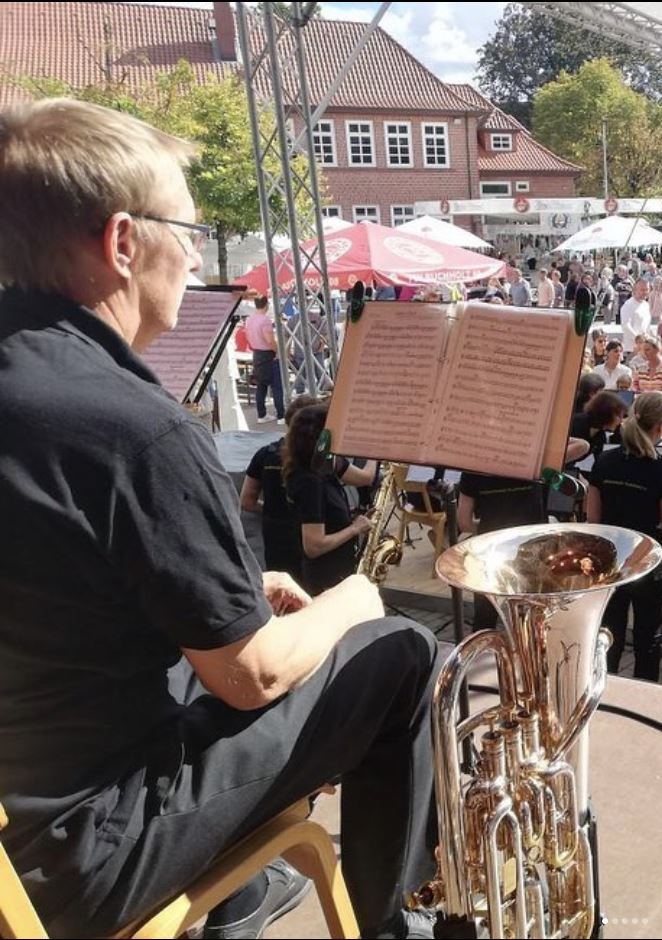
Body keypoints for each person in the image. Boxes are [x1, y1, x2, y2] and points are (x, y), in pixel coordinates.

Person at [0, 97, 443, 939]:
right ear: (124, 242)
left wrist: (222, 591)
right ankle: (391, 924)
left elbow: (59, 585)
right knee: (398, 650)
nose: (196, 256)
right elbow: (253, 677)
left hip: (20, 805)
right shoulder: (135, 428)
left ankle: (241, 898)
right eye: (189, 232)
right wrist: (356, 597)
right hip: (80, 854)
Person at [586, 393, 662, 680]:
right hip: (649, 563)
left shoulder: (605, 460)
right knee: (649, 639)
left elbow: (592, 520)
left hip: (611, 561)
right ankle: (644, 697)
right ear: (660, 427)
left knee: (608, 635)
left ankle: (603, 692)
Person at [284, 403, 378, 596]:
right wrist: (354, 529)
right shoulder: (310, 481)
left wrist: (353, 519)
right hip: (328, 579)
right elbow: (314, 546)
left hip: (338, 570)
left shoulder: (322, 467)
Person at [240, 393, 323, 582]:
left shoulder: (265, 454)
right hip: (308, 542)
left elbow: (246, 501)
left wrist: (271, 509)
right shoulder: (314, 461)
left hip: (274, 537)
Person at [456, 472, 549, 628]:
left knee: (485, 615)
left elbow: (464, 522)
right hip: (532, 548)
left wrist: (487, 528)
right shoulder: (535, 464)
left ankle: (483, 647)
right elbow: (583, 446)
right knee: (532, 616)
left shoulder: (473, 469)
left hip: (492, 548)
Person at [244, 294, 285, 423]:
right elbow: (270, 341)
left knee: (261, 386)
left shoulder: (249, 319)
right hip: (268, 355)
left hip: (256, 353)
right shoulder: (265, 320)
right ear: (266, 305)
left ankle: (261, 415)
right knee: (276, 386)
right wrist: (277, 350)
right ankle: (281, 416)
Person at [620, 280, 652, 355]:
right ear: (634, 290)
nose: (645, 292)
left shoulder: (646, 305)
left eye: (647, 289)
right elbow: (625, 326)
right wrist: (639, 340)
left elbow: (647, 327)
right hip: (632, 349)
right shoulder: (628, 305)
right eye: (642, 290)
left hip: (645, 349)